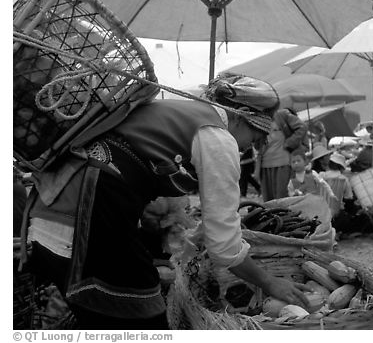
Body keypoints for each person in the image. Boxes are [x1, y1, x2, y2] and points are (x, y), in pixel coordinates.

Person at [20, 74, 310, 329]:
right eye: (257, 133)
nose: (256, 145)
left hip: (51, 212)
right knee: (145, 320)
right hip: (83, 221)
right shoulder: (218, 139)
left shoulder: (180, 111)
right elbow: (224, 247)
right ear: (237, 116)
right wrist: (269, 282)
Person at [257, 108, 308, 201]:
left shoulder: (282, 115)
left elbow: (302, 127)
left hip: (283, 162)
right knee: (268, 201)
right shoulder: (259, 118)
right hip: (265, 164)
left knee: (282, 199)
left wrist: (289, 143)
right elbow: (257, 144)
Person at [318, 152, 354, 218]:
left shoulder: (321, 176)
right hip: (337, 214)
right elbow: (349, 197)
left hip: (320, 211)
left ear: (329, 164)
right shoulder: (344, 179)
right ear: (341, 167)